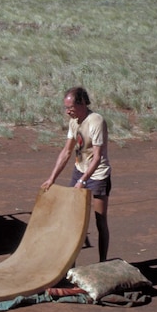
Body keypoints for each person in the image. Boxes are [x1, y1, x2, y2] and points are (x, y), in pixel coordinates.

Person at [42, 86, 111, 262]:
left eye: (70, 108)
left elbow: (97, 157)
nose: (67, 112)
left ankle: (102, 262)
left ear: (81, 103)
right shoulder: (74, 122)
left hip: (97, 176)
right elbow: (66, 151)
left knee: (99, 220)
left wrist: (83, 181)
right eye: (66, 108)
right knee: (73, 220)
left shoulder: (96, 121)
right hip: (79, 171)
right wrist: (52, 178)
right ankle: (70, 264)